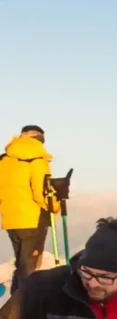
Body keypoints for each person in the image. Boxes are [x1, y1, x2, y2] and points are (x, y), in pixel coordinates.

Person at [3, 125, 58, 293]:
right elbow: (41, 193)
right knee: (30, 269)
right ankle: (22, 311)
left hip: (11, 220)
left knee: (21, 266)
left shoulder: (4, 159)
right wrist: (56, 205)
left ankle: (14, 306)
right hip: (33, 219)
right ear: (40, 139)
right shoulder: (37, 159)